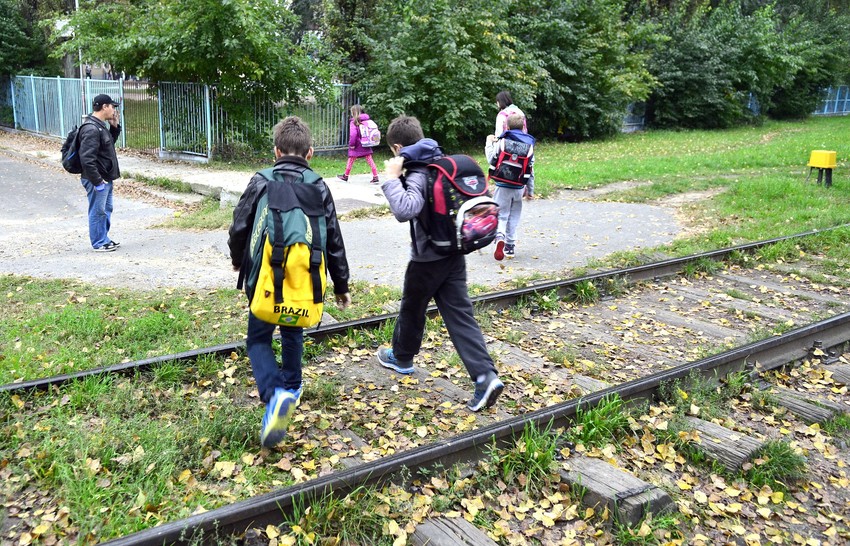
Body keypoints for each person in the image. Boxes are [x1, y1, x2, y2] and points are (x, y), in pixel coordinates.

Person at [228, 116, 352, 449]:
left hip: (265, 275)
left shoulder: (262, 180)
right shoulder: (319, 185)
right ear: (310, 153)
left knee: (258, 339)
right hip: (304, 278)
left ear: (276, 151)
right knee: (293, 329)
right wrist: (341, 285)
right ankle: (293, 387)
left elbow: (239, 226)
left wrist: (238, 260)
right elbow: (334, 239)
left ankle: (274, 394)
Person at [376, 115, 504, 412]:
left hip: (428, 258)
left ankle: (402, 358)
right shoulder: (440, 160)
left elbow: (405, 209)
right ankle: (485, 376)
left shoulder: (419, 171)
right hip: (454, 252)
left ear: (397, 148)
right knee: (460, 315)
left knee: (412, 307)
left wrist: (392, 178)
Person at [485, 113, 536, 260]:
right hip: (519, 187)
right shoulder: (529, 146)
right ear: (523, 127)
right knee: (514, 216)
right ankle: (510, 247)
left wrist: (488, 143)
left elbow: (491, 159)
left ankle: (500, 236)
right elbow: (531, 171)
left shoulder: (502, 142)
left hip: (502, 185)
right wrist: (530, 190)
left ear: (507, 127)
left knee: (501, 214)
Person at [79, 94, 122, 252]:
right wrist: (97, 181)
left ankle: (104, 238)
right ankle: (98, 242)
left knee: (106, 209)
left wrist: (114, 127)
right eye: (112, 106)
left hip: (105, 176)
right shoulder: (91, 128)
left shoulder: (99, 125)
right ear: (104, 107)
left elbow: (107, 146)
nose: (114, 110)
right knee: (98, 211)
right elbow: (87, 159)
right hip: (97, 179)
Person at [338, 105, 380, 184]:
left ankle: (346, 176)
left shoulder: (354, 122)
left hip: (357, 144)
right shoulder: (367, 120)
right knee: (369, 159)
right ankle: (375, 176)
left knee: (351, 159)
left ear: (353, 112)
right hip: (366, 143)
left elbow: (353, 134)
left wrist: (352, 144)